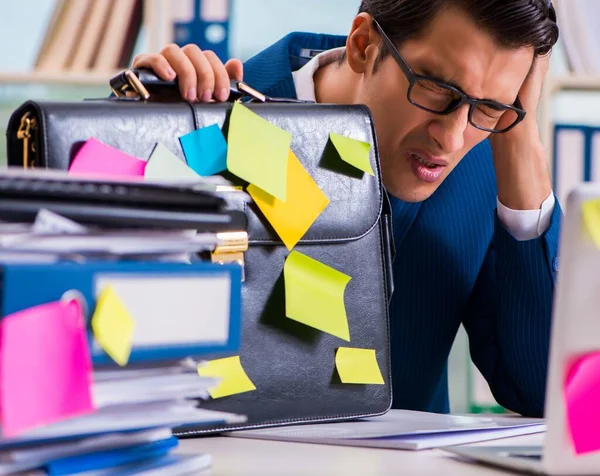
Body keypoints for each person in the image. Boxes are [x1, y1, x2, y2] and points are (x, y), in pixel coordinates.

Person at [133, 0, 560, 417]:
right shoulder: (209, 119)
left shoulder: (483, 161)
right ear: (362, 44)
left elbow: (540, 394)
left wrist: (521, 140)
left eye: (488, 107)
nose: (451, 139)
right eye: (437, 87)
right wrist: (135, 128)